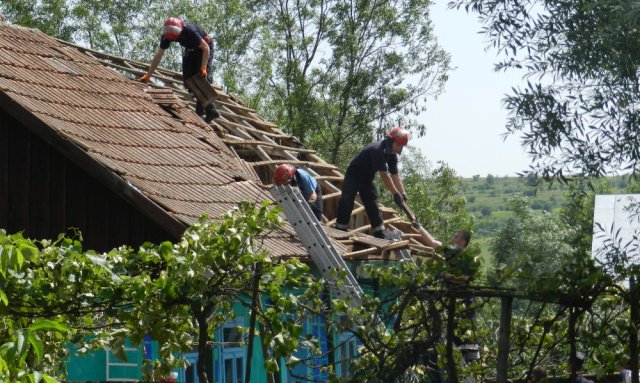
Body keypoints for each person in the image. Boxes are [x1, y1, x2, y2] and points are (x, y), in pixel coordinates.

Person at [139, 17, 220, 122]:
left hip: (204, 49)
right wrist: (148, 75)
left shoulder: (191, 32)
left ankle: (202, 114)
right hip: (190, 50)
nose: (173, 38)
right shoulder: (167, 36)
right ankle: (211, 110)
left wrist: (204, 67)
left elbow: (206, 49)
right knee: (188, 80)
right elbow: (159, 55)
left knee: (201, 78)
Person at [335, 127, 409, 239]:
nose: (399, 149)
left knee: (373, 203)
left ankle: (379, 232)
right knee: (347, 200)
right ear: (390, 141)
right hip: (353, 175)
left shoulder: (392, 154)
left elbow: (395, 175)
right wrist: (395, 193)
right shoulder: (377, 150)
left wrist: (402, 193)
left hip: (367, 178)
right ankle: (340, 229)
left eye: (401, 147)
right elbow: (385, 176)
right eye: (398, 145)